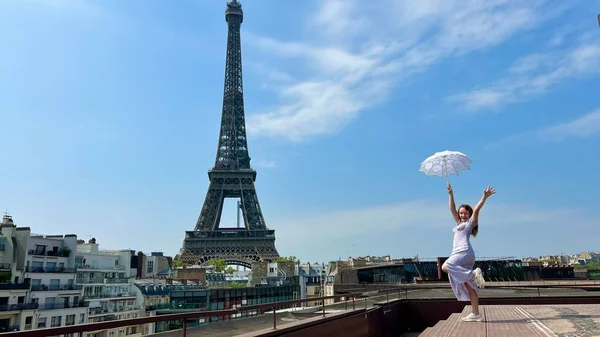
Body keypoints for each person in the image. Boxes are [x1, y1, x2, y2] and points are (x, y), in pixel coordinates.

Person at [442, 182, 495, 322]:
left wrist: (484, 197)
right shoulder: (459, 223)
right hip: (464, 255)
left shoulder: (470, 223)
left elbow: (477, 210)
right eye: (461, 213)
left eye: (465, 213)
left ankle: (472, 273)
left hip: (463, 252)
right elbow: (451, 208)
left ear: (469, 214)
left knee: (445, 266)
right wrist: (451, 194)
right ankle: (476, 314)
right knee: (469, 285)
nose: (462, 215)